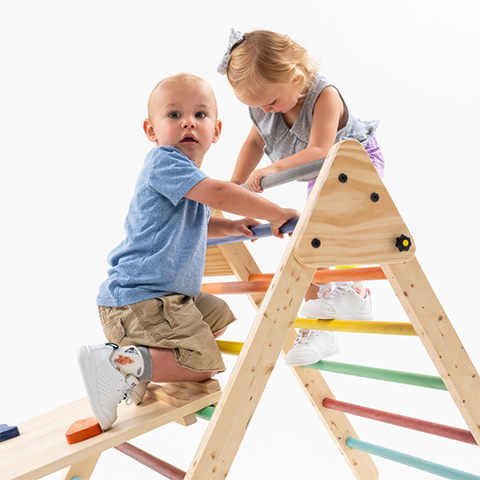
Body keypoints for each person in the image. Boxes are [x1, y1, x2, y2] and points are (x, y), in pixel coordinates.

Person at [77, 73, 300, 431]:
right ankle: (118, 364)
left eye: (200, 114)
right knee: (203, 364)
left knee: (217, 314)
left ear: (216, 130)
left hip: (158, 300)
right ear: (152, 131)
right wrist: (276, 213)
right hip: (142, 301)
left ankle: (138, 368)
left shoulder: (187, 178)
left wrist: (227, 227)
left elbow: (193, 221)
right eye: (174, 115)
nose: (188, 123)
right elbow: (222, 194)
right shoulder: (165, 162)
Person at [217, 29, 385, 367]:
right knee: (307, 244)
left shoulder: (325, 96)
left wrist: (273, 169)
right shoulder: (267, 108)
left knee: (330, 226)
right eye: (258, 106)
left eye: (271, 102)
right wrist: (235, 184)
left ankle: (356, 291)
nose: (267, 110)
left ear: (296, 77)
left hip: (354, 164)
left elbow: (320, 149)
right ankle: (319, 328)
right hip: (322, 174)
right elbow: (254, 143)